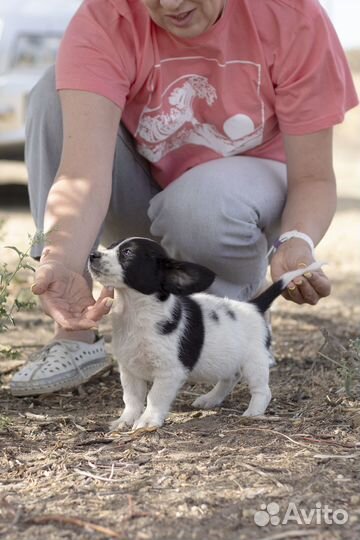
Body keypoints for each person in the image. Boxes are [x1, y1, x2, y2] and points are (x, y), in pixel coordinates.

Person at [10, 0, 358, 396]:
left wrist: (297, 240)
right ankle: (74, 336)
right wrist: (62, 260)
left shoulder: (291, 15)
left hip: (238, 203)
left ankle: (230, 321)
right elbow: (79, 177)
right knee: (52, 93)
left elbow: (313, 177)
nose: (171, 4)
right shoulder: (107, 18)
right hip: (147, 199)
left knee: (197, 204)